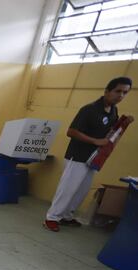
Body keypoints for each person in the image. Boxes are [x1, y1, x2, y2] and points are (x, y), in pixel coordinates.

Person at [44, 77, 133, 232]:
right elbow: (71, 132)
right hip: (78, 155)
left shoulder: (113, 111)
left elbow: (111, 130)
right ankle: (51, 218)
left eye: (125, 92)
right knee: (68, 188)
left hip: (94, 158)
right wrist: (95, 141)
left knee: (81, 190)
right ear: (107, 91)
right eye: (117, 91)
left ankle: (66, 216)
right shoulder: (89, 109)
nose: (121, 95)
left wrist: (125, 122)